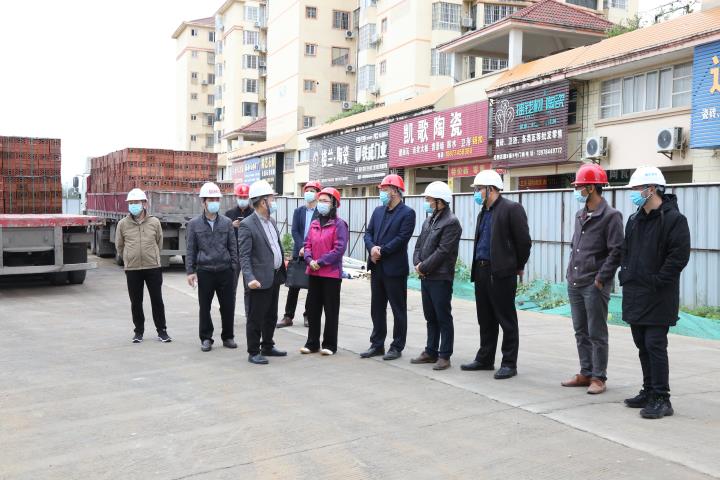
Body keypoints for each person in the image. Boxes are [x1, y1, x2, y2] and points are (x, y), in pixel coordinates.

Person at [620, 166, 690, 419]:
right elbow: (625, 251)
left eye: (637, 189)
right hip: (635, 292)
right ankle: (649, 390)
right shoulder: (634, 219)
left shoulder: (674, 219)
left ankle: (662, 398)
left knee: (655, 344)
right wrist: (625, 275)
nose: (633, 193)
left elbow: (678, 256)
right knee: (641, 343)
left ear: (651, 189)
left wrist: (658, 280)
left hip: (659, 294)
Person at [462, 170, 531, 380]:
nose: (476, 193)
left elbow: (524, 242)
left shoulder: (511, 209)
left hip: (501, 272)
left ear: (490, 189)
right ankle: (485, 358)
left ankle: (509, 363)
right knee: (485, 318)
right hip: (481, 270)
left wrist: (517, 265)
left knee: (506, 319)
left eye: (478, 189)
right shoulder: (483, 212)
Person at [562, 164, 623, 394]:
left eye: (579, 187)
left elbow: (616, 251)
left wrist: (600, 279)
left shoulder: (611, 216)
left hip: (594, 284)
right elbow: (575, 246)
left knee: (597, 332)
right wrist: (570, 273)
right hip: (575, 281)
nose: (576, 191)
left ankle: (599, 377)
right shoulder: (580, 215)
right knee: (580, 331)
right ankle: (586, 372)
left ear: (591, 188)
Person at [361, 174, 416, 361]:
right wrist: (372, 248)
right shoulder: (378, 211)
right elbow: (368, 233)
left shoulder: (407, 213)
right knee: (377, 308)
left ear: (394, 191)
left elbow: (402, 239)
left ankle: (396, 346)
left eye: (384, 190)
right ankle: (377, 344)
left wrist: (381, 251)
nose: (382, 193)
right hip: (377, 267)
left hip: (394, 269)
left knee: (398, 309)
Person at [410, 181, 462, 371]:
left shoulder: (451, 222)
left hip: (440, 277)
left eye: (429, 199)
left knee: (442, 316)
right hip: (426, 276)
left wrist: (423, 266)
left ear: (440, 201)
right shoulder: (429, 220)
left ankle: (445, 355)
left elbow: (443, 251)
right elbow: (419, 245)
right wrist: (417, 263)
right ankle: (430, 351)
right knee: (430, 316)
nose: (427, 202)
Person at [238, 180, 288, 365]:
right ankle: (253, 351)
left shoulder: (271, 221)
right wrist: (249, 278)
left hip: (274, 276)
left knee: (271, 315)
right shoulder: (247, 225)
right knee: (256, 317)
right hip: (258, 280)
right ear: (262, 202)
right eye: (271, 199)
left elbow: (274, 246)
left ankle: (267, 345)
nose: (274, 202)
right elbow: (244, 256)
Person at [185, 182, 238, 352]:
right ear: (203, 202)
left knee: (228, 306)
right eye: (211, 199)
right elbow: (190, 249)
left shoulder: (227, 223)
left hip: (225, 270)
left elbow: (233, 247)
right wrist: (190, 271)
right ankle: (206, 338)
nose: (214, 202)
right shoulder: (194, 224)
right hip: (205, 271)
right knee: (205, 307)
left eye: (217, 199)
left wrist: (234, 268)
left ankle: (228, 337)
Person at [115, 188, 171, 344]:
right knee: (136, 302)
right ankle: (138, 331)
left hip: (153, 267)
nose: (133, 205)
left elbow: (159, 242)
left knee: (157, 300)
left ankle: (162, 331)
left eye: (136, 202)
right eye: (131, 203)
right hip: (133, 269)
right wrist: (129, 258)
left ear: (144, 203)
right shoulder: (122, 224)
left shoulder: (154, 222)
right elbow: (120, 246)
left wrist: (151, 255)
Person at [300, 187, 349, 356]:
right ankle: (312, 343)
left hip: (331, 274)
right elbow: (307, 244)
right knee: (313, 309)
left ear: (334, 204)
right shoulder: (314, 224)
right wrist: (309, 259)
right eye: (320, 201)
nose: (321, 204)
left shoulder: (339, 224)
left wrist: (320, 262)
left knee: (330, 310)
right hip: (313, 272)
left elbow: (339, 249)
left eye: (325, 201)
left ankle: (329, 344)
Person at [277, 181, 322, 328]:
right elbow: (295, 231)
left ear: (318, 194)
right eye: (307, 190)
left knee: (312, 287)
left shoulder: (321, 213)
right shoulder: (298, 211)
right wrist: (302, 246)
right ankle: (288, 316)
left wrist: (308, 248)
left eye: (312, 190)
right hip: (299, 253)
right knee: (294, 286)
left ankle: (308, 315)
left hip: (314, 254)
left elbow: (320, 233)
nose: (309, 193)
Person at [225, 183, 253, 317]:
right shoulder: (229, 214)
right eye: (241, 197)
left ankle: (249, 315)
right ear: (236, 197)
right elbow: (221, 233)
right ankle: (229, 314)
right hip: (233, 255)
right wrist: (231, 225)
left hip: (249, 255)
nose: (243, 199)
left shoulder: (254, 214)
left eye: (245, 197)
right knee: (231, 288)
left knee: (249, 288)